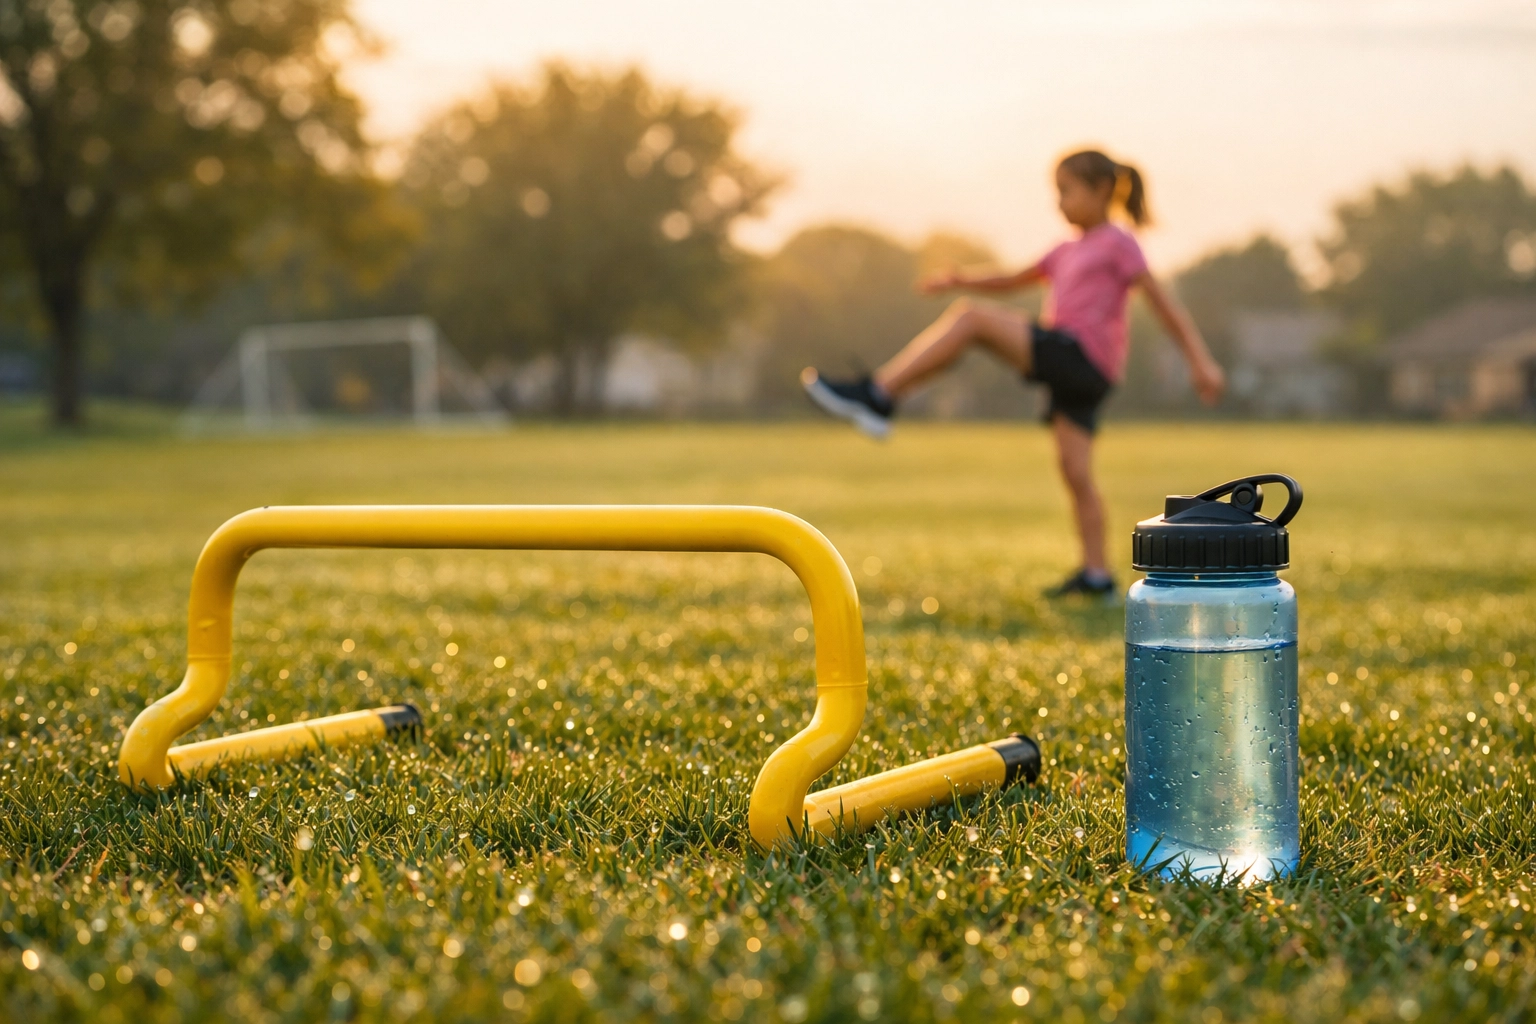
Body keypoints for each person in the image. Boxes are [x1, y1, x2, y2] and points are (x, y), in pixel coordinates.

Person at [801, 149, 1225, 598]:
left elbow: (1163, 304)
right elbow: (1013, 279)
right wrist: (961, 279)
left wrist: (1200, 361)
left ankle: (879, 394)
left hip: (1080, 356)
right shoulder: (1065, 250)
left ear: (1102, 191)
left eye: (1066, 191)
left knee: (972, 321)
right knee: (1075, 471)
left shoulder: (1118, 243)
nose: (1058, 202)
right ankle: (1097, 576)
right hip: (1081, 371)